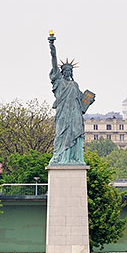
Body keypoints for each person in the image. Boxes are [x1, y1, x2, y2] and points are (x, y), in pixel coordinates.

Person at [47, 33, 95, 165]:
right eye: (65, 70)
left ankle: (74, 158)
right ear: (62, 72)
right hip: (63, 114)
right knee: (60, 135)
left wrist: (88, 100)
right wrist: (52, 46)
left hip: (75, 115)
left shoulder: (75, 85)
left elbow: (81, 102)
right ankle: (60, 156)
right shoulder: (58, 81)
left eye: (69, 71)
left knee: (76, 135)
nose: (67, 72)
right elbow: (54, 61)